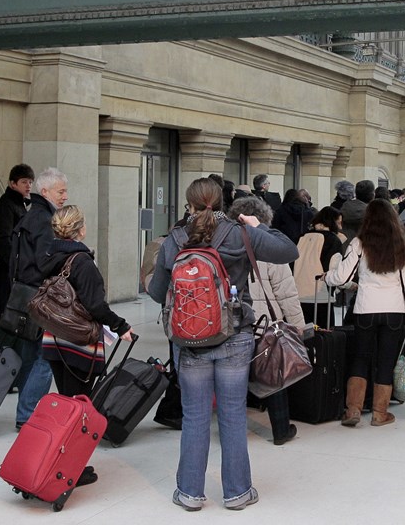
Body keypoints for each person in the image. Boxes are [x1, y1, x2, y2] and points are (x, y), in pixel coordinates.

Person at [148, 178, 298, 512]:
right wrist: (258, 225)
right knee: (232, 415)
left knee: (195, 417)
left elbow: (158, 293)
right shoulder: (239, 233)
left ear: (189, 204)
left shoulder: (175, 238)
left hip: (189, 342)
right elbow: (290, 250)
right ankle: (237, 492)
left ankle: (189, 492)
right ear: (222, 202)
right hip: (235, 337)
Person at [40, 205, 133, 487]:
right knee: (78, 408)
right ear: (80, 229)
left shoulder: (49, 256)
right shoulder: (82, 262)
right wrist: (121, 325)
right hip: (78, 345)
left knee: (65, 403)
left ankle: (58, 461)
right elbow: (95, 305)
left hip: (53, 339)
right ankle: (70, 469)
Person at [325, 199, 405, 428]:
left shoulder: (359, 243)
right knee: (386, 361)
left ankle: (353, 410)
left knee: (360, 357)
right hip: (394, 310)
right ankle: (379, 413)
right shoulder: (401, 244)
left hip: (366, 308)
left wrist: (327, 277)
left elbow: (343, 277)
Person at [228, 196, 304, 446]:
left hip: (234, 322)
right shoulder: (270, 248)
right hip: (265, 323)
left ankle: (233, 433)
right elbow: (286, 292)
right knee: (274, 374)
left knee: (234, 379)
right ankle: (281, 430)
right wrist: (298, 326)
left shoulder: (226, 244)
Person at [11, 167, 68, 430]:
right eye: (61, 191)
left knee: (30, 355)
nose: (65, 196)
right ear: (45, 192)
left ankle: (24, 409)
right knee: (45, 358)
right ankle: (27, 414)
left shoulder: (29, 216)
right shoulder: (45, 220)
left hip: (24, 292)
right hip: (39, 295)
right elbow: (46, 260)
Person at [0, 164, 34, 318]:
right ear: (12, 184)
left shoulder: (18, 203)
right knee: (7, 312)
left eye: (30, 182)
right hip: (8, 270)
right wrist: (15, 265)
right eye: (24, 182)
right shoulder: (7, 205)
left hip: (16, 268)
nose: (28, 185)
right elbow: (2, 239)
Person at [294, 206, 345, 327]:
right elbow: (335, 269)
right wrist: (346, 284)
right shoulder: (333, 240)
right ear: (331, 222)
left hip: (298, 293)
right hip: (322, 295)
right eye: (338, 223)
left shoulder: (301, 237)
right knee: (323, 337)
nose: (340, 227)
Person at [340, 179, 374, 244]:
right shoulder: (371, 212)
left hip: (344, 245)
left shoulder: (345, 207)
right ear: (372, 195)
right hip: (362, 248)